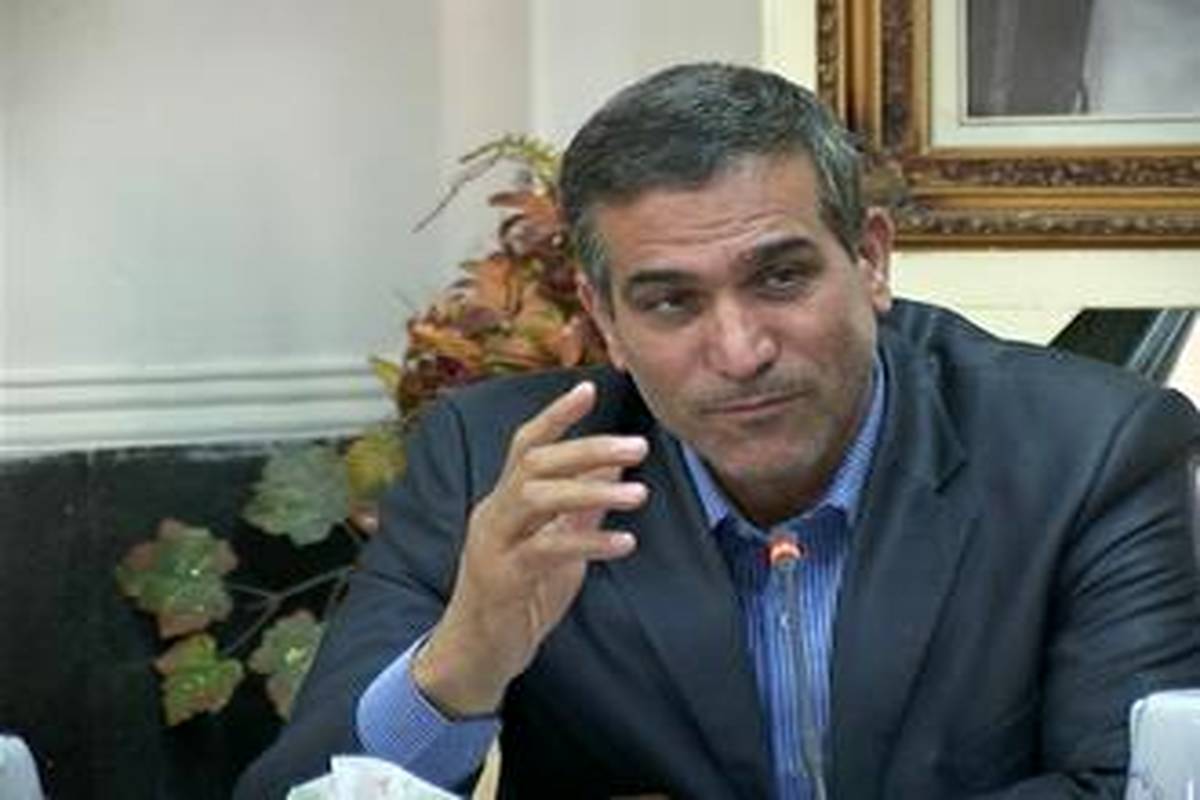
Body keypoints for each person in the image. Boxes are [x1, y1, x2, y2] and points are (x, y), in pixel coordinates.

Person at [236, 63, 1200, 799]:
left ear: (869, 260)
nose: (739, 351)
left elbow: (1132, 787)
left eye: (781, 277)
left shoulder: (1091, 451)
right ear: (606, 319)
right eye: (670, 302)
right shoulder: (500, 465)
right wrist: (460, 661)